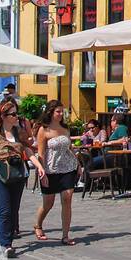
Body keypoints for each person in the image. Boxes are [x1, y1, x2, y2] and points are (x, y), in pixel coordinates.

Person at [0, 99, 42, 259]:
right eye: (13, 114)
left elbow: (27, 150)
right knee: (4, 210)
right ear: (3, 116)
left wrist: (39, 166)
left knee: (14, 209)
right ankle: (6, 244)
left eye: (16, 113)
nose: (16, 117)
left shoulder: (19, 132)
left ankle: (9, 235)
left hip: (17, 175)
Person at [33, 100, 79, 245]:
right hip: (50, 169)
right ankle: (38, 225)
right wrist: (41, 172)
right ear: (51, 112)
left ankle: (65, 235)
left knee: (67, 197)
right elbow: (40, 153)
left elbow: (70, 147)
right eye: (57, 111)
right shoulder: (44, 130)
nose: (60, 114)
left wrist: (78, 163)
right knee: (48, 203)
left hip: (67, 167)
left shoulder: (65, 128)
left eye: (62, 111)